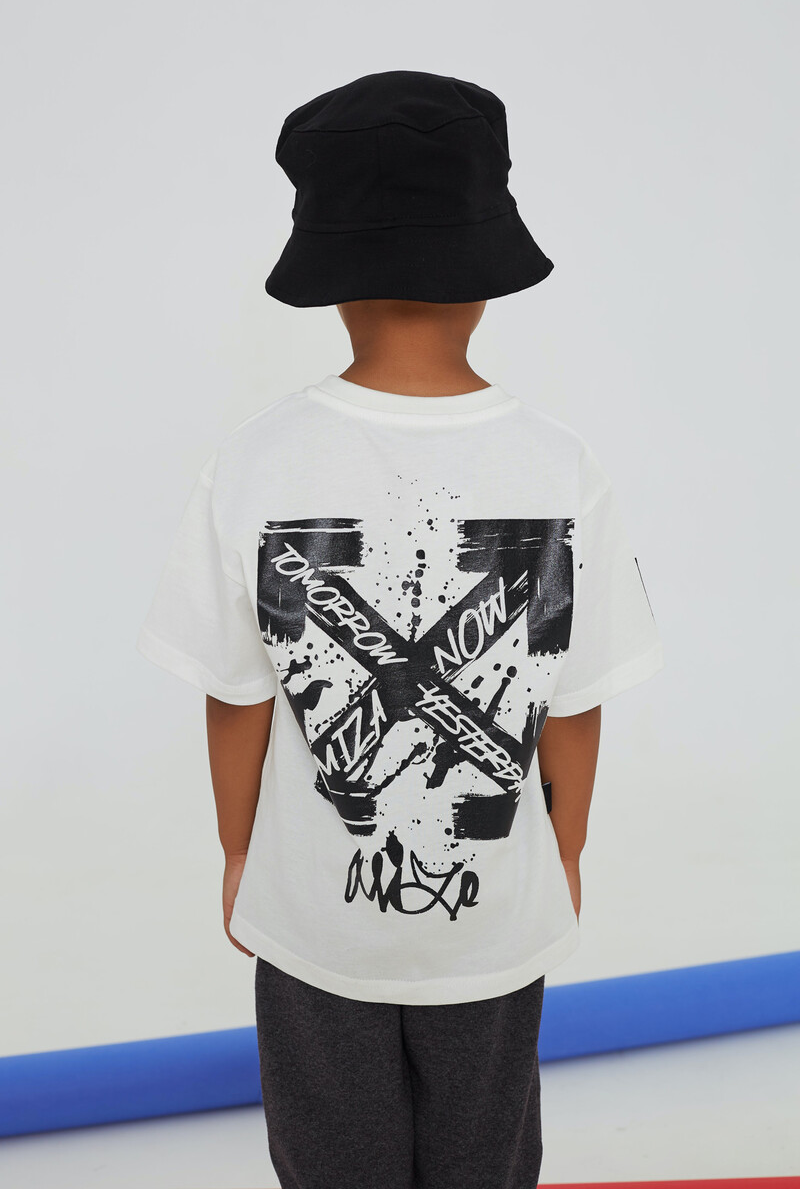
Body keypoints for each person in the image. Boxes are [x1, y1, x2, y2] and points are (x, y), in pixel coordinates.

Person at [136, 70, 664, 1189]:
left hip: (311, 928)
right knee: (485, 1162)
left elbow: (235, 696)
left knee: (331, 1164)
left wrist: (239, 852)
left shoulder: (255, 462)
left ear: (333, 284)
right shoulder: (560, 466)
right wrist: (562, 854)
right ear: (486, 278)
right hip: (496, 927)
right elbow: (573, 704)